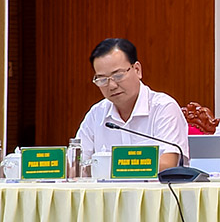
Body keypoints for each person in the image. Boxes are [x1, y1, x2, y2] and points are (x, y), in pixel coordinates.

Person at [76, 38, 188, 171]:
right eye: (102, 79)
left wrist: (111, 167)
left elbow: (168, 165)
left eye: (118, 76)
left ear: (137, 70)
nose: (112, 86)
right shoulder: (96, 114)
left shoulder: (163, 108)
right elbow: (76, 165)